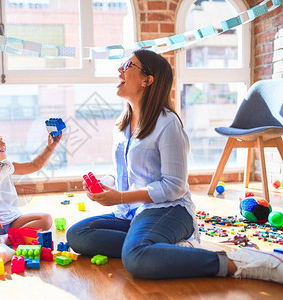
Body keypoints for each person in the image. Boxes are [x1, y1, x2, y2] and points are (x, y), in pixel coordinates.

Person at [66, 49, 282, 283]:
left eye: (128, 66)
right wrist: (105, 184)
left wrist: (120, 197)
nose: (120, 69)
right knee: (77, 235)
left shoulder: (167, 124)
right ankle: (162, 245)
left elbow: (174, 187)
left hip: (170, 209)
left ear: (147, 80)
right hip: (133, 212)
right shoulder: (122, 125)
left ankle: (238, 262)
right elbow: (126, 173)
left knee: (136, 258)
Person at [0, 125, 61, 263]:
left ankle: (5, 240)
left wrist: (51, 146)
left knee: (46, 219)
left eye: (2, 139)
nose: (3, 143)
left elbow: (34, 166)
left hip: (13, 222)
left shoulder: (7, 167)